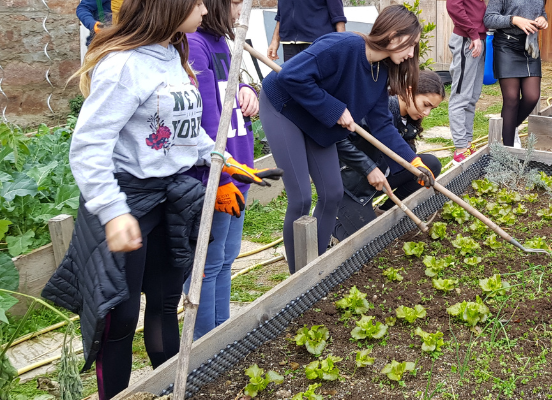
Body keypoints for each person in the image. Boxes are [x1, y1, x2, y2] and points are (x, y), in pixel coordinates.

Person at [41, 0, 278, 398]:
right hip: (127, 204)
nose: (205, 9)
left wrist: (220, 159)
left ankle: (174, 390)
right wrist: (113, 213)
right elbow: (88, 148)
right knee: (120, 318)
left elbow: (184, 130)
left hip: (171, 199)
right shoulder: (123, 66)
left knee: (166, 306)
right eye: (196, 2)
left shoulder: (173, 52)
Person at [259, 5, 436, 274]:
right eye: (410, 45)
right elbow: (290, 75)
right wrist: (334, 109)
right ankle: (297, 277)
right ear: (394, 34)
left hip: (315, 118)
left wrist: (414, 162)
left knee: (332, 193)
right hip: (284, 106)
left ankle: (314, 268)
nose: (412, 53)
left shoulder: (381, 71)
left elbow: (381, 125)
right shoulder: (344, 45)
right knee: (301, 198)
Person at [184, 0, 263, 340]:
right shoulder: (195, 45)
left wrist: (248, 90)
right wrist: (221, 179)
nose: (239, 10)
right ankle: (205, 345)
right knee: (207, 265)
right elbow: (206, 120)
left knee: (227, 259)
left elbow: (227, 93)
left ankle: (223, 334)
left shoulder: (221, 44)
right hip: (215, 179)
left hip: (236, 173)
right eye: (234, 3)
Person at [334, 70, 446, 241]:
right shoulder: (379, 111)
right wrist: (369, 169)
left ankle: (383, 212)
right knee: (370, 242)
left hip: (378, 180)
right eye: (426, 104)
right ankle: (330, 226)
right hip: (350, 186)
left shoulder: (407, 119)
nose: (427, 113)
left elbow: (403, 157)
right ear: (409, 91)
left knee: (429, 165)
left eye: (432, 108)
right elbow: (340, 144)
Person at [484, 0, 547, 147]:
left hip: (530, 46)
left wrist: (543, 19)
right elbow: (489, 19)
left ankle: (510, 129)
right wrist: (514, 20)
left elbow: (541, 12)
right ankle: (508, 150)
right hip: (506, 46)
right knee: (511, 99)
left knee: (532, 96)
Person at [446, 0, 487, 163]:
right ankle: (460, 149)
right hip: (468, 40)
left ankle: (467, 144)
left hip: (478, 39)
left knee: (472, 97)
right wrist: (473, 34)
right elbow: (453, 6)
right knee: (460, 97)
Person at [266, 0, 347, 62]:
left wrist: (342, 44)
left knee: (319, 81)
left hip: (317, 42)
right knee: (292, 81)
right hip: (289, 43)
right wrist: (275, 40)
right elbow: (281, 12)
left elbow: (338, 16)